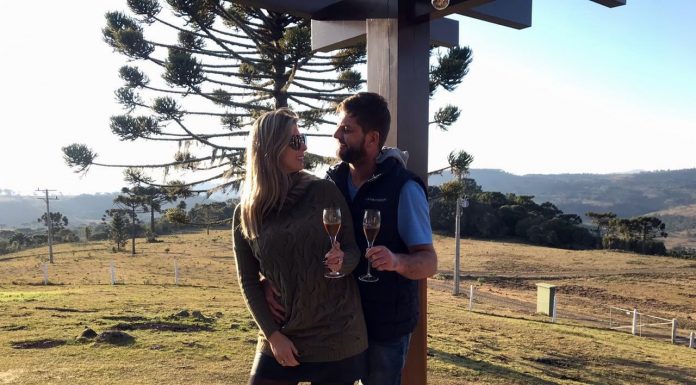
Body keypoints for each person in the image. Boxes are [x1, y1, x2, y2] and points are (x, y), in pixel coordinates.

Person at [264, 93, 438, 384]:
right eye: (338, 127)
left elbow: (428, 262)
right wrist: (271, 280)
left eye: (347, 129)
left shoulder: (404, 188)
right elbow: (300, 241)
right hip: (336, 323)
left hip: (385, 326)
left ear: (372, 139)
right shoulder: (331, 183)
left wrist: (396, 261)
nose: (336, 134)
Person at [232, 108, 368, 385]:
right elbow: (247, 280)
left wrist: (343, 262)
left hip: (336, 334)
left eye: (302, 137)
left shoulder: (323, 192)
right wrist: (272, 335)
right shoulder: (247, 213)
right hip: (283, 334)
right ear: (271, 148)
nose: (304, 146)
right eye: (295, 141)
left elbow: (353, 250)